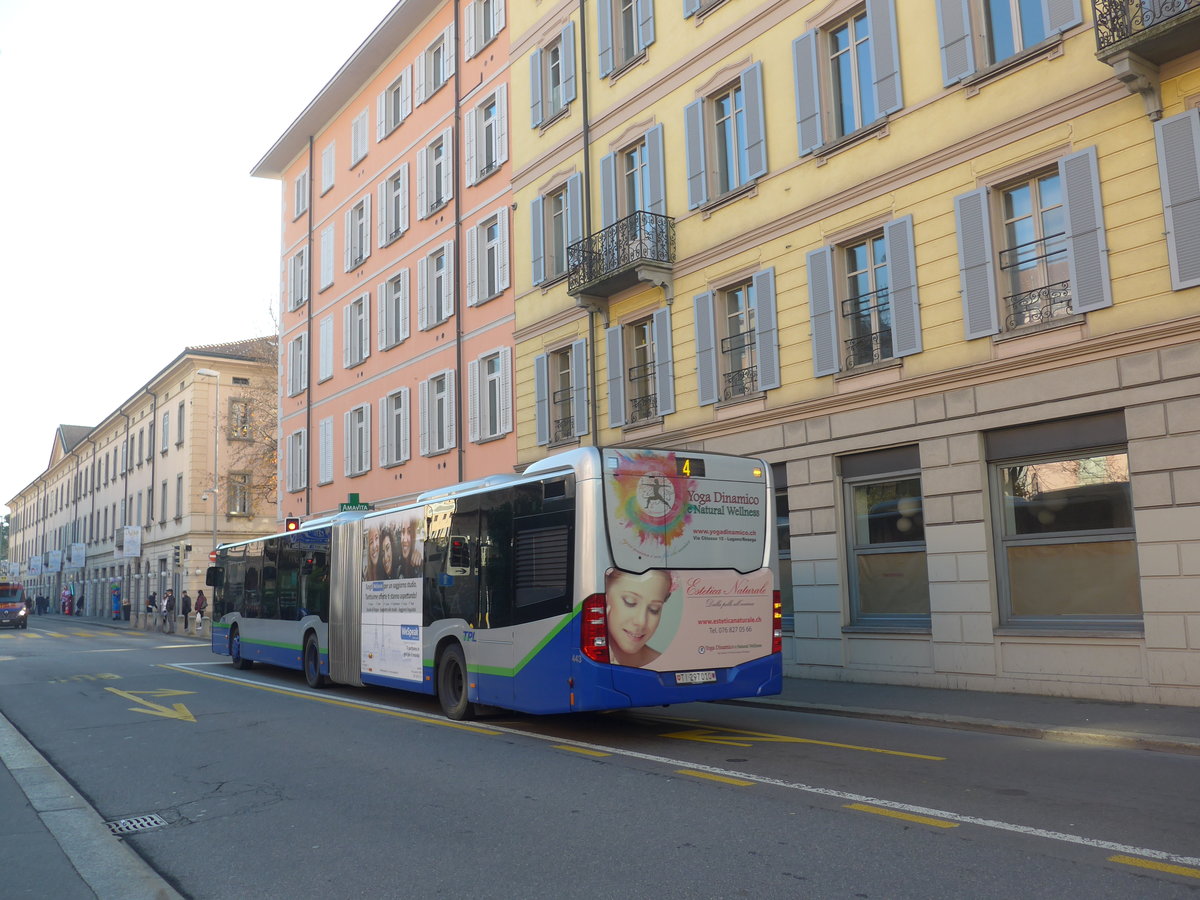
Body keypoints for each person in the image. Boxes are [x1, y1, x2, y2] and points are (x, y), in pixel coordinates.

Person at [604, 568, 672, 668]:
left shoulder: (667, 665)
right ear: (604, 598)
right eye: (630, 602)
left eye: (654, 609)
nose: (641, 621)